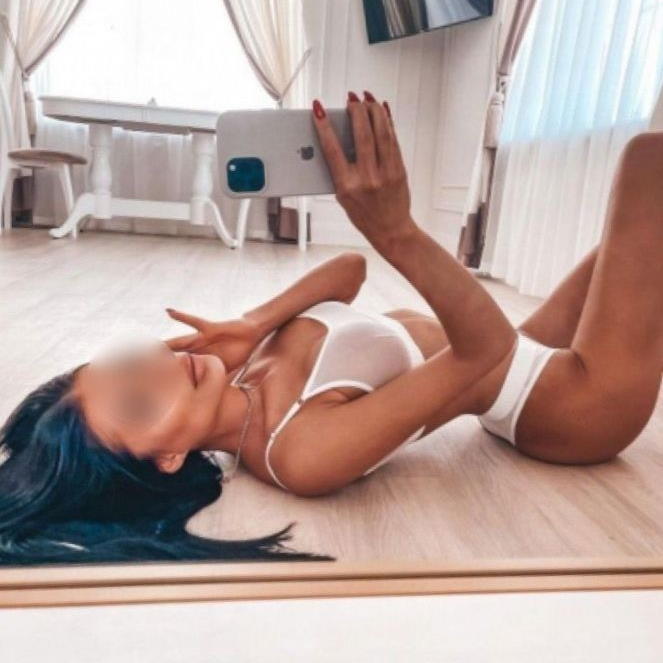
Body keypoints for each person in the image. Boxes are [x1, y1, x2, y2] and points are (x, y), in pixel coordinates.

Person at [1, 91, 661, 565]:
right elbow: (484, 346)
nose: (158, 370)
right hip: (567, 404)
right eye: (142, 402)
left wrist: (255, 322)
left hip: (531, 349)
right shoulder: (298, 453)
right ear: (169, 458)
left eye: (129, 363)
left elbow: (348, 271)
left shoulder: (244, 367)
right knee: (648, 162)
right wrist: (397, 230)